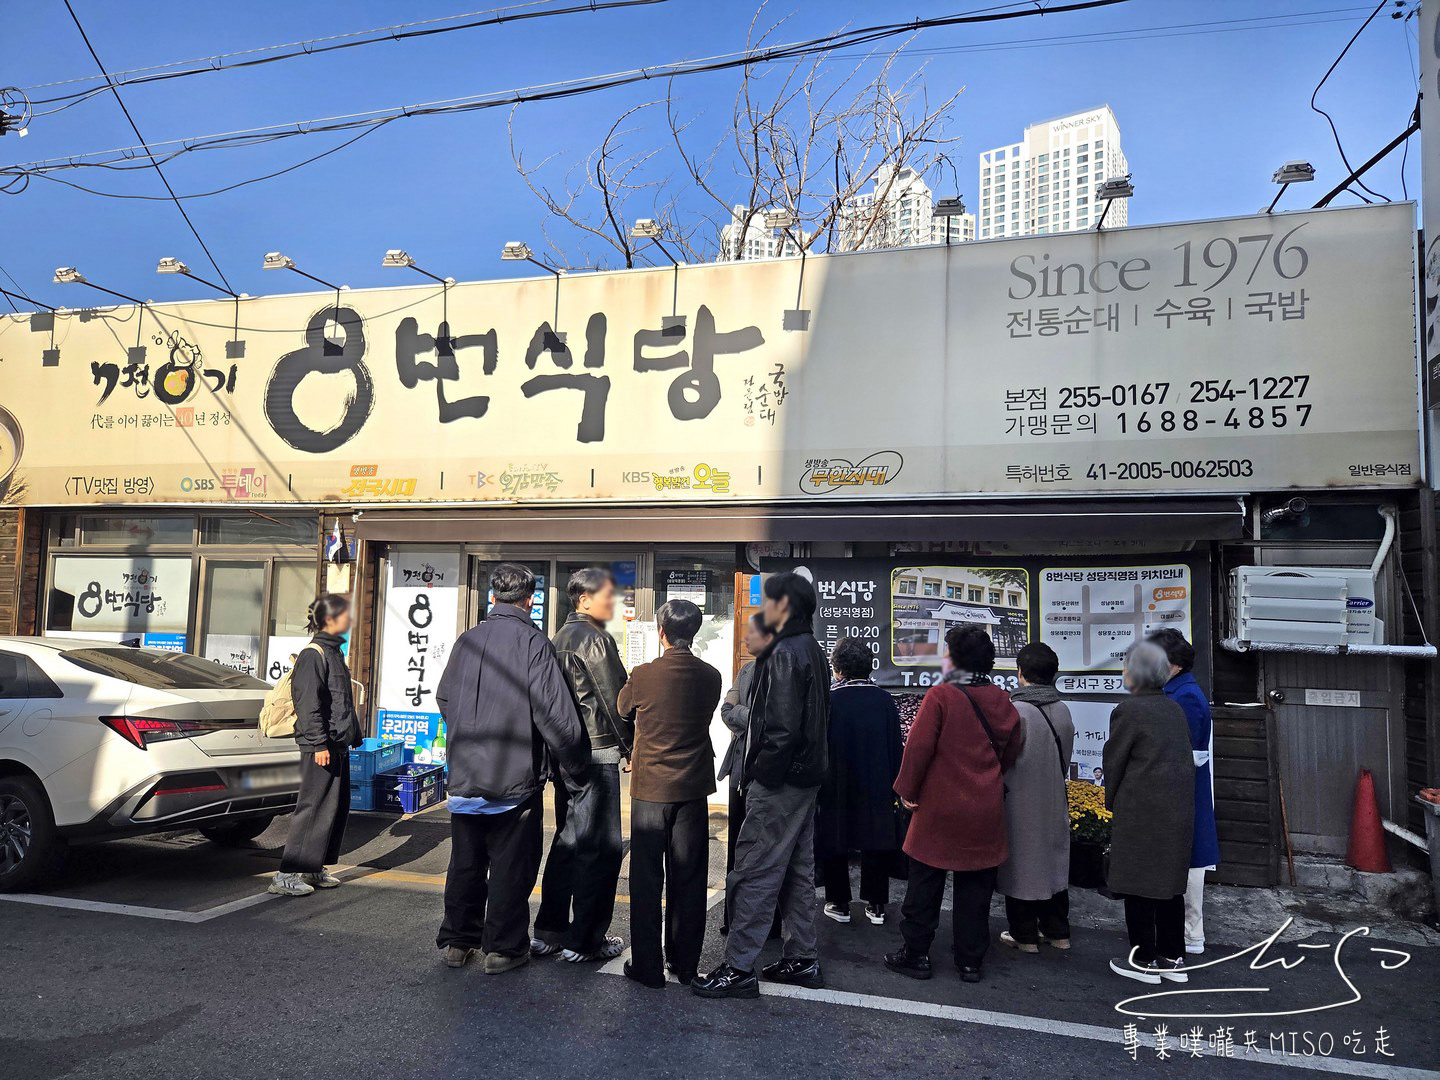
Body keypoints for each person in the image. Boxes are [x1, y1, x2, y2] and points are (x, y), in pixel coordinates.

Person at [434, 563, 590, 973]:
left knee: (465, 861)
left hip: (466, 774)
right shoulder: (533, 643)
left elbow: (445, 698)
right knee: (509, 865)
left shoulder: (466, 641)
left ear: (492, 598)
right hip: (514, 777)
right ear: (529, 599)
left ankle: (457, 941)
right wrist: (574, 767)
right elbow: (556, 717)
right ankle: (502, 949)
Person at [692, 572, 830, 999]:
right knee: (796, 870)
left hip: (781, 782)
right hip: (805, 780)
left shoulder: (785, 652)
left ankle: (738, 967)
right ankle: (802, 957)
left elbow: (781, 730)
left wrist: (760, 777)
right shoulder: (809, 648)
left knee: (753, 871)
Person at [884, 626, 1022, 984]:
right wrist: (988, 777)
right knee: (976, 889)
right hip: (985, 807)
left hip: (939, 806)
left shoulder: (941, 696)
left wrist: (906, 789)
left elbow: (917, 749)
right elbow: (1011, 752)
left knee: (924, 884)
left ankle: (916, 955)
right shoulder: (1002, 699)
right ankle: (970, 962)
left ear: (955, 658)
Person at [617, 599, 723, 988]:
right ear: (692, 632)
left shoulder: (644, 674)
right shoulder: (710, 676)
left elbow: (623, 708)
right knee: (689, 876)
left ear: (661, 631)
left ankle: (647, 966)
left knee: (647, 878)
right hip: (693, 787)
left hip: (650, 788)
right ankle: (684, 963)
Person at [533, 567, 630, 963]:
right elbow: (616, 700)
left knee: (568, 841)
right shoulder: (593, 639)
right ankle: (586, 938)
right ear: (584, 599)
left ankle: (549, 930)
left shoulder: (558, 637)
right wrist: (632, 746)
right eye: (606, 595)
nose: (611, 602)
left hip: (566, 752)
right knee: (600, 848)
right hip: (598, 751)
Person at [1104, 641, 1195, 986]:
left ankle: (1142, 960)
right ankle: (1173, 958)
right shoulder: (1173, 708)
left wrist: (1112, 804)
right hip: (1176, 810)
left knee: (1139, 884)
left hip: (1141, 811)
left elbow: (1114, 765)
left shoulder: (1129, 710)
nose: (1123, 672)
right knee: (1169, 886)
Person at [270, 594, 364, 897]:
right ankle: (285, 874)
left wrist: (349, 737)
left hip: (336, 743)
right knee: (312, 807)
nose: (349, 621)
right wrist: (318, 742)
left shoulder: (333, 651)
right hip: (320, 746)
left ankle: (313, 866)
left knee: (333, 807)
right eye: (344, 616)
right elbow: (308, 703)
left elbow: (340, 701)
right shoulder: (313, 654)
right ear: (328, 620)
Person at [817, 636, 904, 926]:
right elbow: (896, 747)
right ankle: (876, 905)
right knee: (876, 838)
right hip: (877, 783)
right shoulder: (884, 700)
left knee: (835, 838)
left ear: (838, 669)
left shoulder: (830, 700)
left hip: (836, 783)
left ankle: (838, 902)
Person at [998, 642, 1076, 953]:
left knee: (1022, 866)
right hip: (1055, 799)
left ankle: (1024, 935)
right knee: (1054, 863)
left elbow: (1005, 758)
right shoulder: (1063, 710)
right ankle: (1058, 932)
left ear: (1020, 673)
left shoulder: (1017, 712)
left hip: (1019, 802)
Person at [1147, 628, 1219, 956]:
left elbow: (1186, 752)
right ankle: (1184, 933)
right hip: (1178, 791)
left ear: (1173, 663)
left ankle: (1190, 934)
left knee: (1187, 866)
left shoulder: (1186, 696)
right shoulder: (1176, 690)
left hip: (1182, 792)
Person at [718, 613, 780, 938]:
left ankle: (765, 923)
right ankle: (734, 917)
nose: (744, 640)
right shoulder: (746, 670)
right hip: (739, 770)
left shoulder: (779, 672)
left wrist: (748, 715)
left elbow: (771, 720)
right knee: (738, 848)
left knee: (763, 848)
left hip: (764, 772)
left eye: (750, 634)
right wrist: (753, 715)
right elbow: (726, 710)